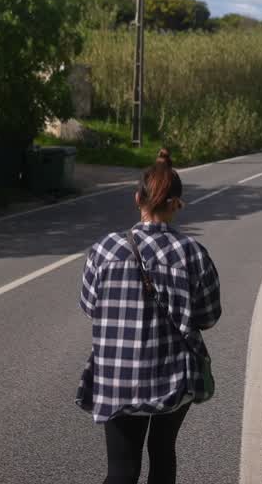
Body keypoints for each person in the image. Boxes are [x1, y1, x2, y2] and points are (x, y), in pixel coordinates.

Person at [79, 148, 222, 484]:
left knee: (122, 469)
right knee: (162, 452)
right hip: (172, 378)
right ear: (176, 204)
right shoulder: (192, 253)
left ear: (137, 198)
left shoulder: (104, 250)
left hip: (117, 376)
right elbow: (209, 317)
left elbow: (89, 307)